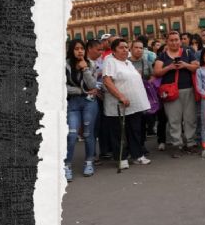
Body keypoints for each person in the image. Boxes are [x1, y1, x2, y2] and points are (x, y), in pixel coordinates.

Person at [102, 38, 152, 170]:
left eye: (126, 47)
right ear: (114, 50)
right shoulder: (109, 60)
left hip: (134, 105)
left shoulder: (128, 63)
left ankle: (137, 155)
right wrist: (121, 96)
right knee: (118, 132)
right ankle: (121, 158)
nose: (125, 49)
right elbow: (107, 81)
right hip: (118, 105)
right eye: (121, 47)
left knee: (135, 130)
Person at [153, 31, 200, 158]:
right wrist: (169, 68)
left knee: (190, 118)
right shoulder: (162, 56)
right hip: (170, 92)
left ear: (180, 40)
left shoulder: (188, 52)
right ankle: (177, 144)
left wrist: (185, 65)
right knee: (174, 120)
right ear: (167, 42)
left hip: (188, 89)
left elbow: (196, 67)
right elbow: (157, 72)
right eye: (171, 40)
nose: (174, 42)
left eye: (176, 39)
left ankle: (191, 143)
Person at [64, 39, 99, 181]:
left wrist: (85, 69)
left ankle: (89, 162)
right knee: (72, 134)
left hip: (89, 103)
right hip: (73, 103)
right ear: (71, 50)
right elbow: (61, 86)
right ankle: (66, 165)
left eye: (82, 49)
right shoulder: (64, 65)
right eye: (76, 49)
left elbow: (92, 84)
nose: (80, 51)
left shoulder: (91, 64)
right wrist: (81, 91)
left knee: (88, 133)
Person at [129, 39, 154, 154]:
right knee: (132, 123)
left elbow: (153, 76)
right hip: (130, 95)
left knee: (143, 121)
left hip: (144, 95)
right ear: (131, 49)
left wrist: (148, 82)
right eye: (136, 47)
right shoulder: (126, 62)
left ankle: (141, 144)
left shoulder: (146, 62)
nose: (139, 50)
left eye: (141, 48)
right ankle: (132, 145)